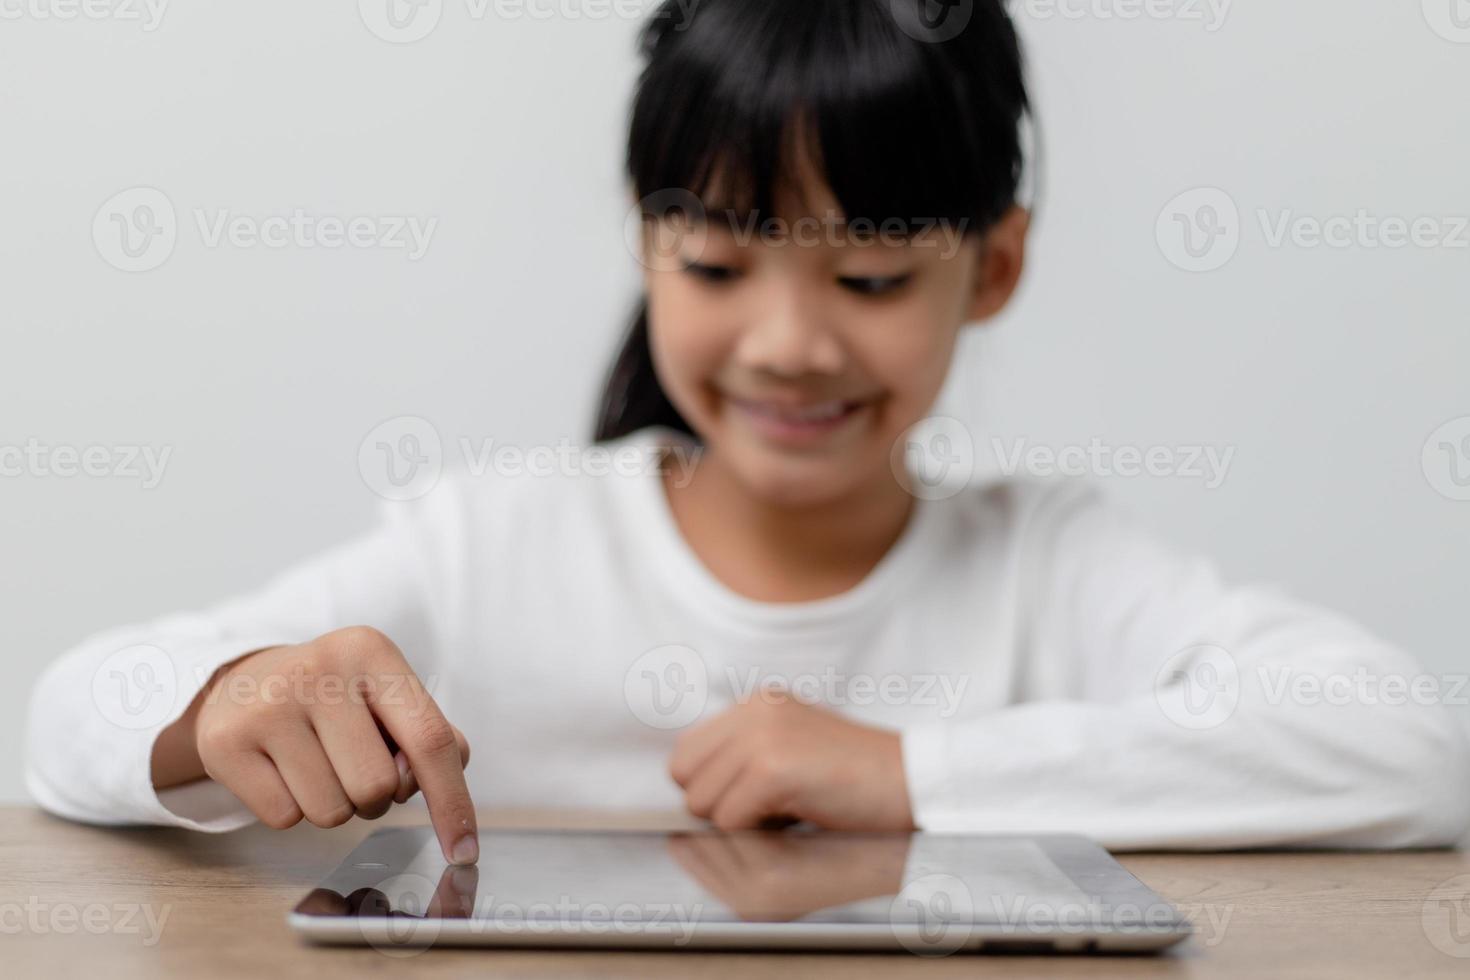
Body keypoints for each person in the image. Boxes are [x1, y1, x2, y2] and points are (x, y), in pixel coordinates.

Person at [24, 0, 1470, 867]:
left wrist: (904, 776)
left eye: (871, 277)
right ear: (645, 247)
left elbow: (1405, 743)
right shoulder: (492, 543)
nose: (789, 341)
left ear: (999, 266)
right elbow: (63, 719)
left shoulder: (1049, 564)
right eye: (716, 265)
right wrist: (219, 700)